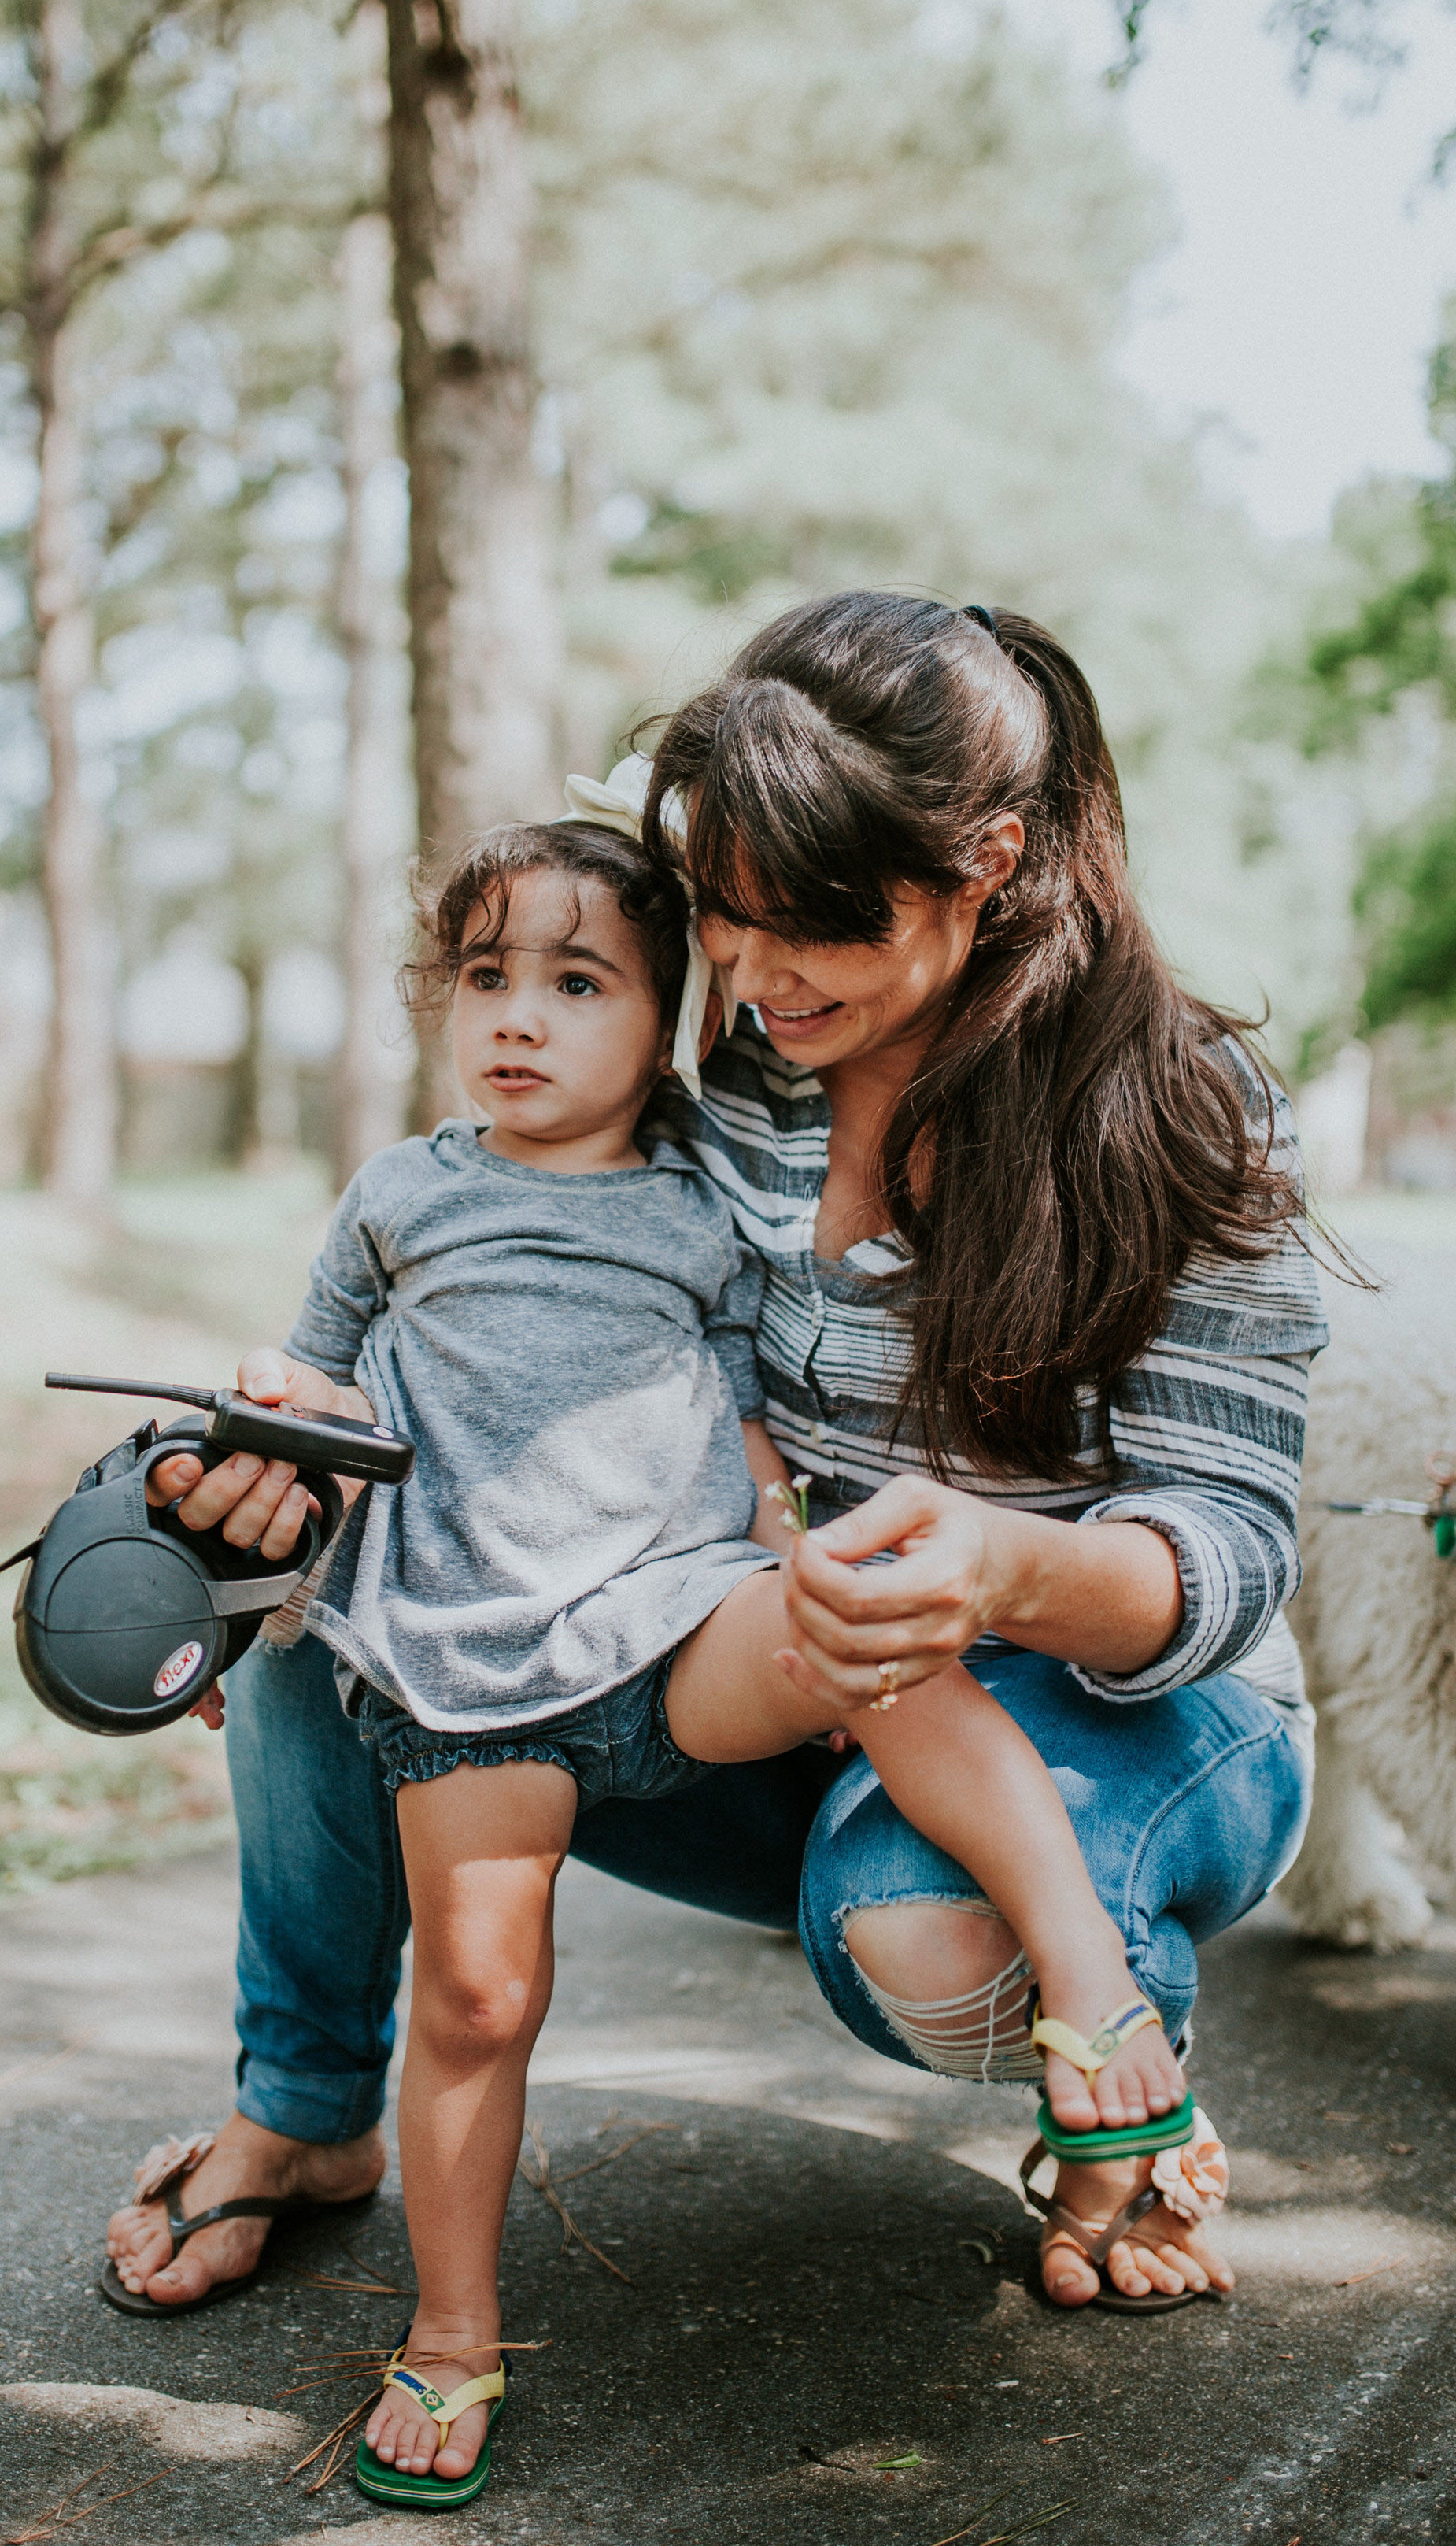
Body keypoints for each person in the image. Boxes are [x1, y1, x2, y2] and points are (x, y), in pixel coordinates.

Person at [105, 591, 1318, 2378]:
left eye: (809, 927)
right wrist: (269, 1482)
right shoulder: (722, 1092)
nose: (752, 979)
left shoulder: (1181, 1109)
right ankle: (303, 2106)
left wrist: (999, 1568)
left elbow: (1225, 1552)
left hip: (1114, 1704)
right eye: (725, 922)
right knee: (338, 1625)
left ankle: (1112, 2038)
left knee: (908, 1935)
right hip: (794, 1658)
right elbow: (527, 1337)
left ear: (983, 862)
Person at [231, 816, 1186, 2504]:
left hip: (669, 1622)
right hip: (469, 1662)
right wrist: (258, 1429)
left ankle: (1088, 1983)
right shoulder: (400, 1195)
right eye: (484, 976)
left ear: (670, 1015)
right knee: (475, 2000)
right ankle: (452, 2337)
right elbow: (309, 1384)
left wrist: (783, 1541)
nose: (515, 1017)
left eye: (576, 981)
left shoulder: (702, 1201)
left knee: (870, 1616)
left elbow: (750, 1417)